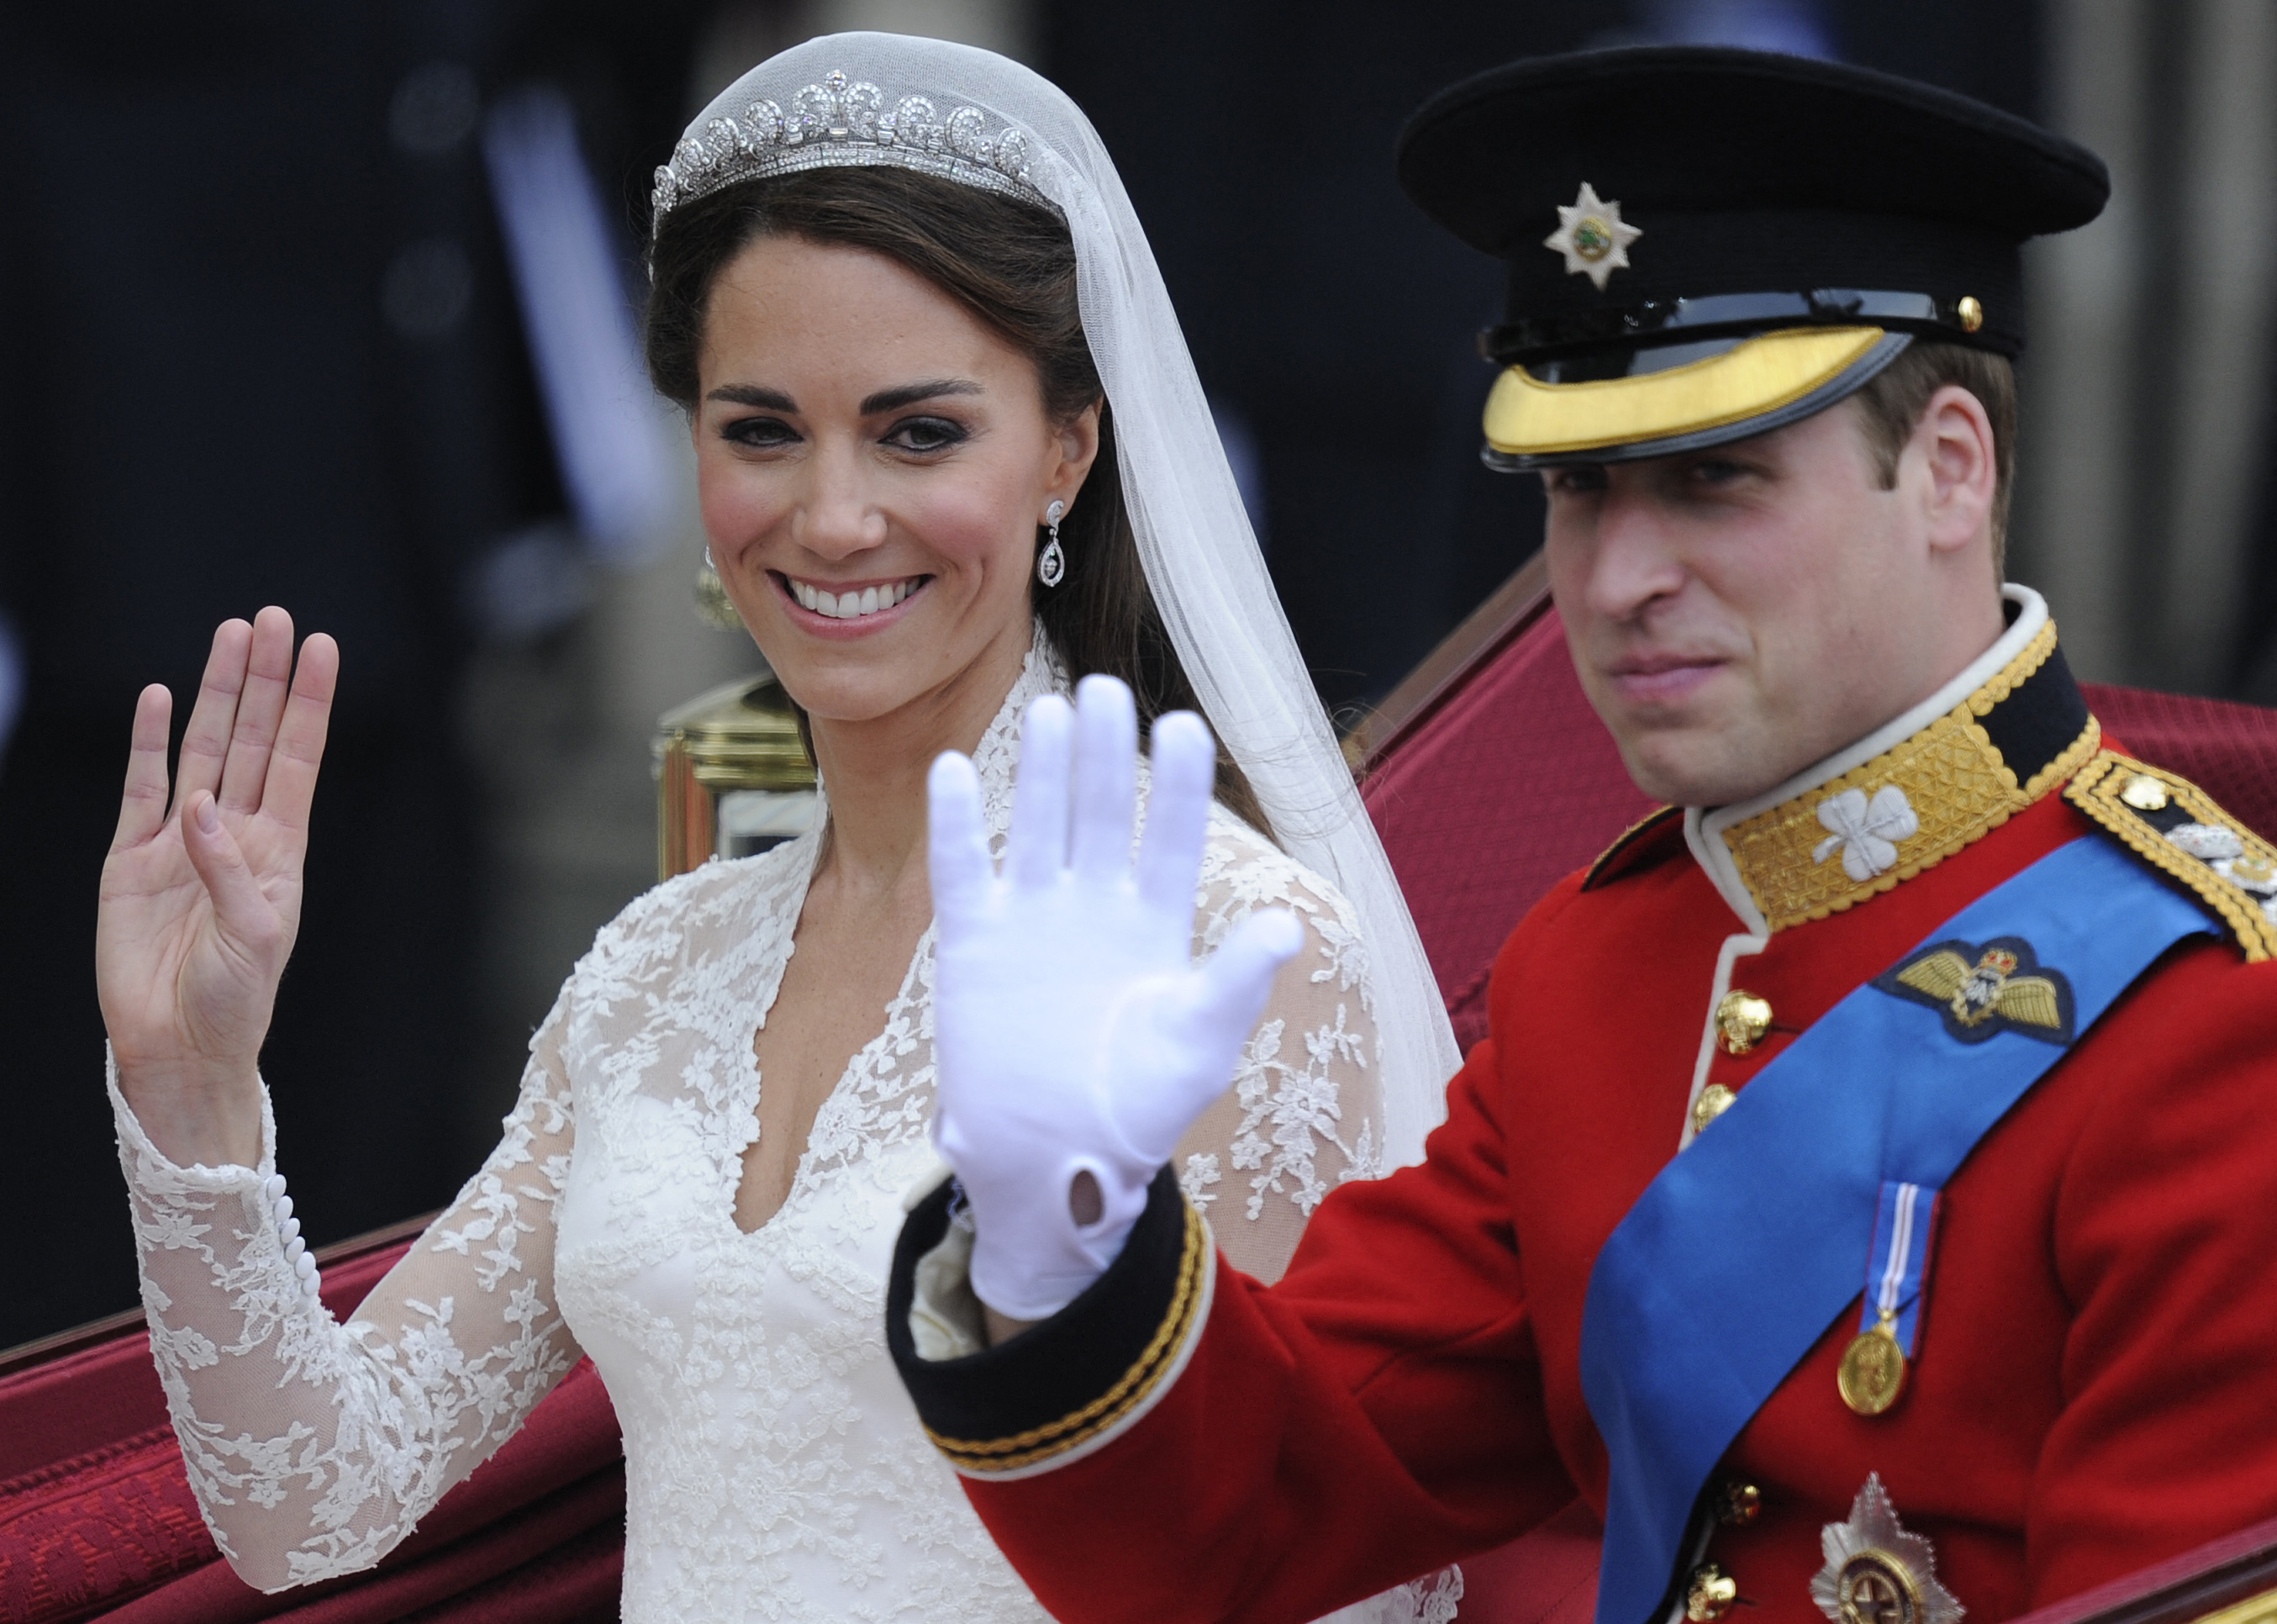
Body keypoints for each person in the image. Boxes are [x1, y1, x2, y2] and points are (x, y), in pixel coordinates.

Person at [882, 45, 2277, 1624]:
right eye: (1577, 491)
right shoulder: (1596, 966)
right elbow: (1260, 1501)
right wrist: (1057, 1237)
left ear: (1947, 469)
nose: (1611, 585)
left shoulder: (2216, 1016)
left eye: (1712, 481)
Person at [92, 31, 1463, 1624]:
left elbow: (1326, 1578)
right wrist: (190, 1088)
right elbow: (313, 1500)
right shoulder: (655, 968)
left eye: (918, 433)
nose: (831, 517)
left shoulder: (1232, 941)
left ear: (1067, 452)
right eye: (761, 430)